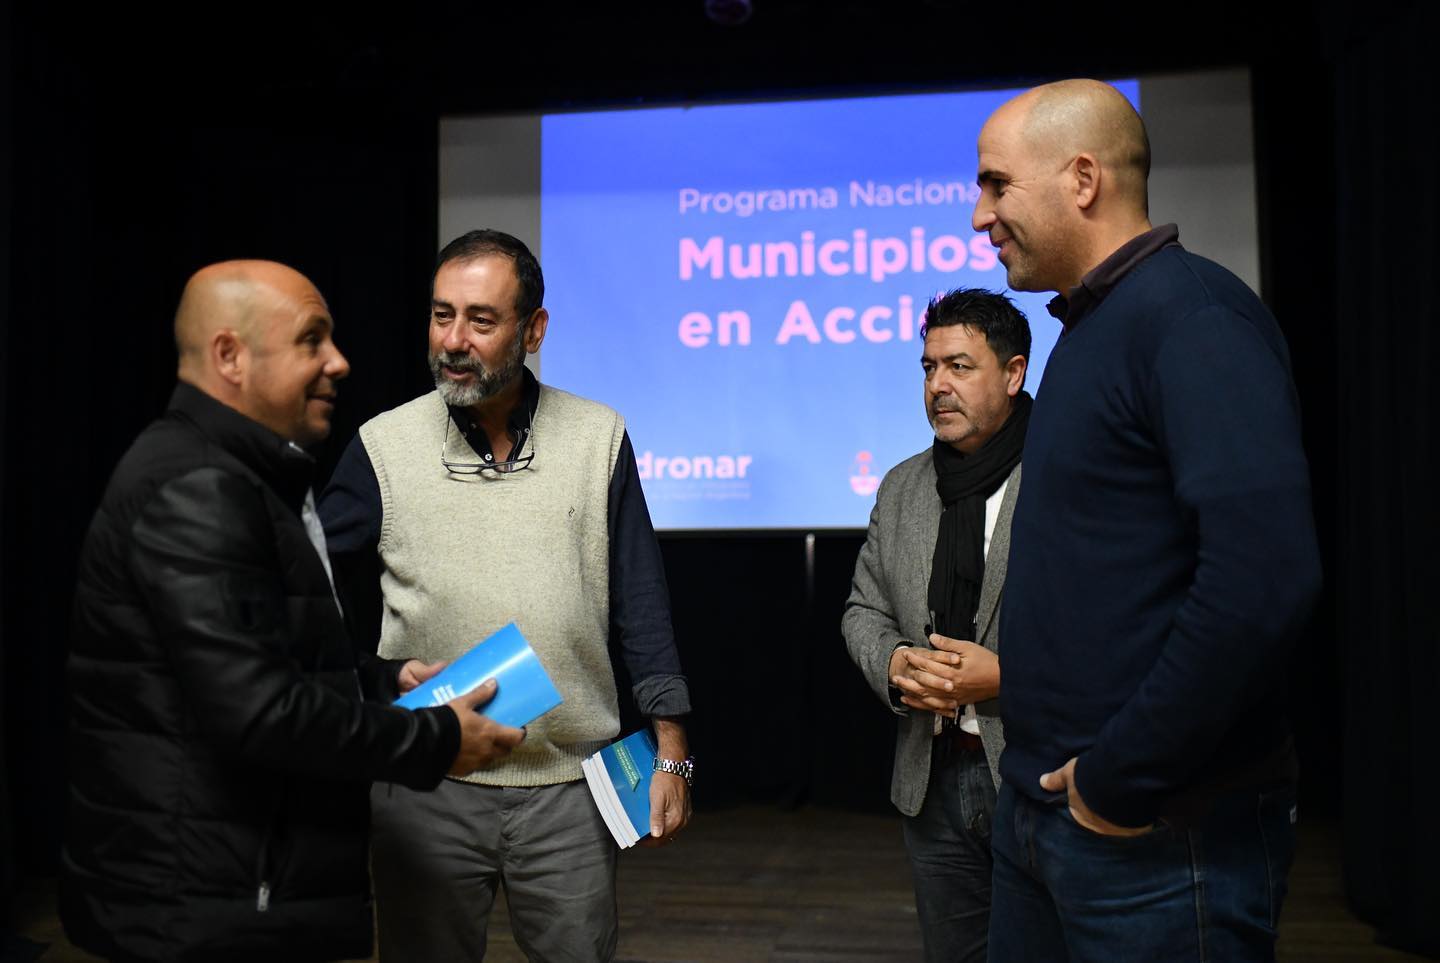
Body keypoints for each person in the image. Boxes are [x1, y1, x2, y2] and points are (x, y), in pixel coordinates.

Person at [61, 260, 522, 963]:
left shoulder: (236, 470)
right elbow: (258, 710)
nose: (339, 361)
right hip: (205, 907)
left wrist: (379, 679)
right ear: (229, 356)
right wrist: (433, 738)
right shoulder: (200, 487)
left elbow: (253, 658)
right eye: (312, 339)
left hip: (223, 891)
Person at [972, 80, 1322, 961]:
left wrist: (1120, 777)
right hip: (1046, 813)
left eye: (996, 185)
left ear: (1082, 179)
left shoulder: (1195, 318)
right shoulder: (1093, 327)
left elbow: (1262, 581)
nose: (979, 216)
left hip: (1156, 836)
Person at [320, 229, 693, 962]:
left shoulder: (598, 437)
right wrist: (361, 696)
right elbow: (305, 593)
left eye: (481, 321)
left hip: (566, 788)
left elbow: (641, 600)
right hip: (427, 780)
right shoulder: (382, 445)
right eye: (441, 315)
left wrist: (673, 751)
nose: (454, 341)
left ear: (534, 329)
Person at [843, 288, 1031, 963]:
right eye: (928, 367)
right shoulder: (902, 486)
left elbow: (1109, 629)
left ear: (1012, 374)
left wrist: (1007, 678)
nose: (937, 385)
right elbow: (864, 608)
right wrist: (893, 662)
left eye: (959, 366)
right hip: (932, 773)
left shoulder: (1065, 474)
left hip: (1034, 770)